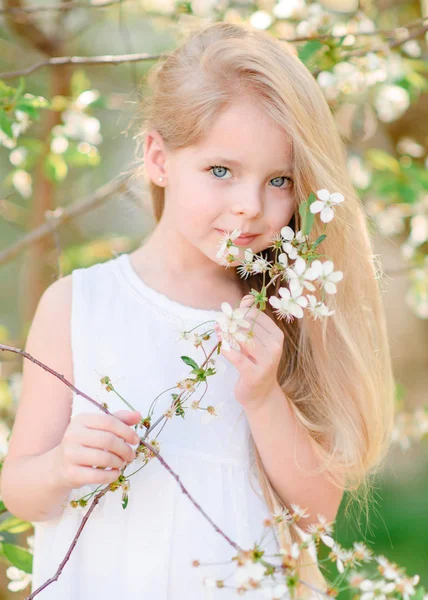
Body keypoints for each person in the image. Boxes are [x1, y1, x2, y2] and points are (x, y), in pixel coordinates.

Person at [0, 21, 395, 600]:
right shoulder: (79, 305)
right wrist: (62, 466)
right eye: (221, 171)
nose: (250, 207)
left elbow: (315, 515)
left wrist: (263, 396)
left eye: (279, 180)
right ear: (159, 157)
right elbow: (20, 489)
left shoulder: (281, 316)